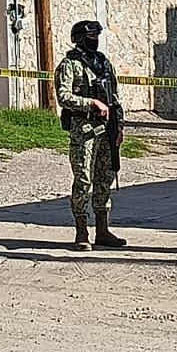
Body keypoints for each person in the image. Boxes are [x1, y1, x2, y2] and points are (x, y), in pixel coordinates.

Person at [54, 19, 126, 251]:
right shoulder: (69, 65)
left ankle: (103, 230)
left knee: (105, 177)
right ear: (81, 38)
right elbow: (63, 97)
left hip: (107, 129)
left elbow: (114, 97)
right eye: (91, 36)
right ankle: (82, 231)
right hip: (83, 130)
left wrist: (119, 126)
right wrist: (90, 103)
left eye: (97, 35)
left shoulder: (103, 63)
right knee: (83, 178)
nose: (95, 40)